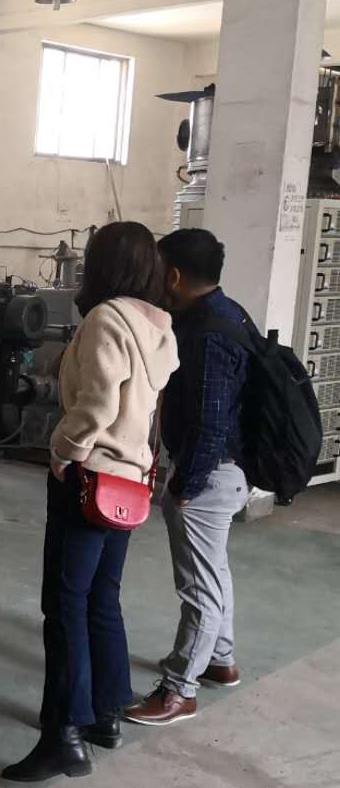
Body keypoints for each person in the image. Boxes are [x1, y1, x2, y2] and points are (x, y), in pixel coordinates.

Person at [3, 222, 178, 782]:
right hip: (128, 480)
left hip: (87, 477)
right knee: (102, 596)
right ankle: (107, 712)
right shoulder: (157, 326)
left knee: (65, 604)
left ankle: (63, 734)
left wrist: (63, 451)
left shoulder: (107, 320)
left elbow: (98, 405)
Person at [124, 229, 250, 727]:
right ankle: (221, 659)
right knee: (213, 571)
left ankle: (180, 691)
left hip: (210, 476)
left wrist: (184, 488)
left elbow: (210, 423)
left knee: (198, 586)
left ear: (173, 275)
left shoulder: (207, 335)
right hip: (227, 471)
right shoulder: (228, 312)